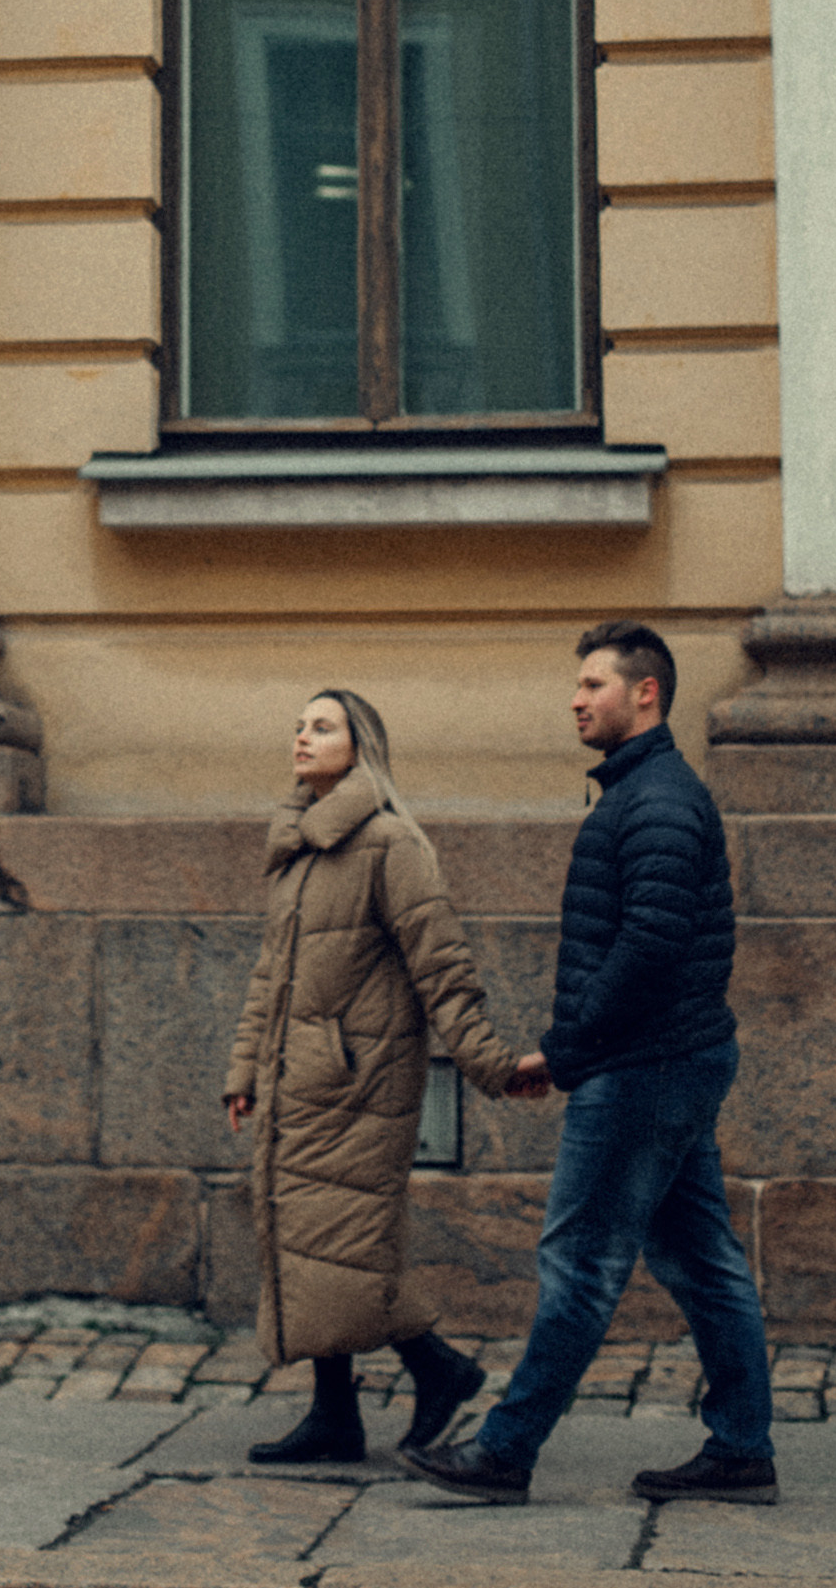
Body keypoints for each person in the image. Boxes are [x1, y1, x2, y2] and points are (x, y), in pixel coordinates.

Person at [407, 621, 777, 1507]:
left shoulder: (658, 802)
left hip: (646, 1067)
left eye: (593, 685)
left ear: (645, 693)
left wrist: (569, 1050)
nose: (576, 700)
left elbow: (648, 947)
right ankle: (742, 1448)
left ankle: (506, 1449)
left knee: (581, 1260)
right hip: (665, 1059)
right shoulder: (641, 793)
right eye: (577, 686)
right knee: (703, 1261)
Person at [222, 688, 548, 1466]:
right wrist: (244, 1069)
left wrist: (491, 1064)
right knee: (312, 1243)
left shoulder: (391, 844)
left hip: (358, 1084)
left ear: (360, 745)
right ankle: (338, 1416)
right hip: (298, 1080)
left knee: (344, 1244)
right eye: (299, 726)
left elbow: (442, 964)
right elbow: (271, 974)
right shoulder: (298, 848)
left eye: (322, 726)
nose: (302, 737)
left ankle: (439, 1371)